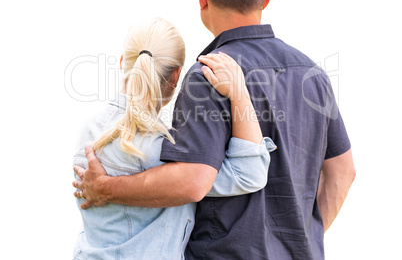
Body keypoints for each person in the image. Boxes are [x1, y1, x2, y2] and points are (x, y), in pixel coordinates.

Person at [73, 0, 356, 259]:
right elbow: (343, 172)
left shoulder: (207, 75)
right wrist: (299, 243)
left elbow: (191, 180)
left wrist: (107, 189)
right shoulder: (313, 75)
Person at [72, 17, 277, 259]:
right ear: (175, 77)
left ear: (122, 63)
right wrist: (239, 93)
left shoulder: (88, 131)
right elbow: (249, 172)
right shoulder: (161, 149)